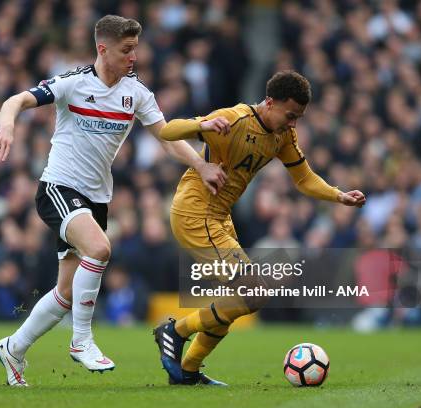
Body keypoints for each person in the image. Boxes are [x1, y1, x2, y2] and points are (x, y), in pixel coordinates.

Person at [0, 15, 226, 386]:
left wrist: (199, 162)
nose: (134, 56)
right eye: (126, 49)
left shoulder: (137, 93)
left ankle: (13, 348)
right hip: (58, 188)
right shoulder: (72, 83)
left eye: (135, 48)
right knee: (99, 249)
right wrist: (7, 124)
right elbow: (15, 100)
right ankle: (81, 341)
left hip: (97, 198)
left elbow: (165, 134)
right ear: (103, 48)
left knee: (66, 293)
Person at [153, 70, 366, 385]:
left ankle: (189, 370)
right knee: (254, 291)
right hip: (195, 213)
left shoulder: (283, 136)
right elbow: (168, 131)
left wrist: (338, 195)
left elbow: (304, 178)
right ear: (270, 102)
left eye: (299, 118)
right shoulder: (234, 119)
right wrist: (202, 125)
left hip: (220, 217)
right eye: (290, 115)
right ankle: (175, 331)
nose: (293, 123)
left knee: (236, 300)